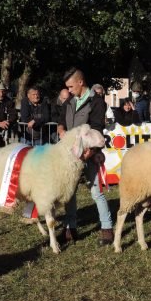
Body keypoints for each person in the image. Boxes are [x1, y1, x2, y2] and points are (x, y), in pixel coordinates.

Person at [57, 67, 114, 246]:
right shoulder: (69, 102)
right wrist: (60, 129)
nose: (69, 90)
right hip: (70, 156)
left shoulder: (96, 102)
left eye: (71, 86)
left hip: (89, 154)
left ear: (80, 82)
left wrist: (90, 153)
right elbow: (60, 119)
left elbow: (97, 128)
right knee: (70, 193)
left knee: (96, 191)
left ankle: (107, 229)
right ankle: (70, 229)